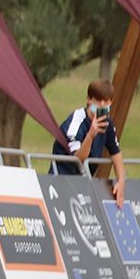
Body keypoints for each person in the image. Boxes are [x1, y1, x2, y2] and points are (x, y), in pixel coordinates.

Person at [49, 78, 126, 208]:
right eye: (98, 100)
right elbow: (78, 158)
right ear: (89, 100)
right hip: (61, 182)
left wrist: (121, 181)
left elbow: (115, 151)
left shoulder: (107, 122)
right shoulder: (76, 122)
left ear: (111, 102)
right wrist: (90, 135)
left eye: (106, 101)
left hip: (83, 184)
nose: (102, 104)